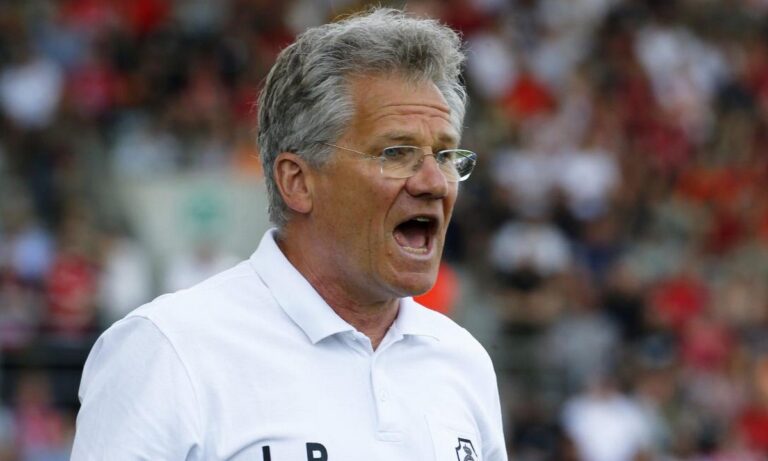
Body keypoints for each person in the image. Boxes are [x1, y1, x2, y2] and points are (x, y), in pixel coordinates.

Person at [72, 8, 508, 460]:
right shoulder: (168, 349)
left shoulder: (464, 362)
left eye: (445, 155)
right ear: (298, 182)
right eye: (396, 153)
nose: (435, 182)